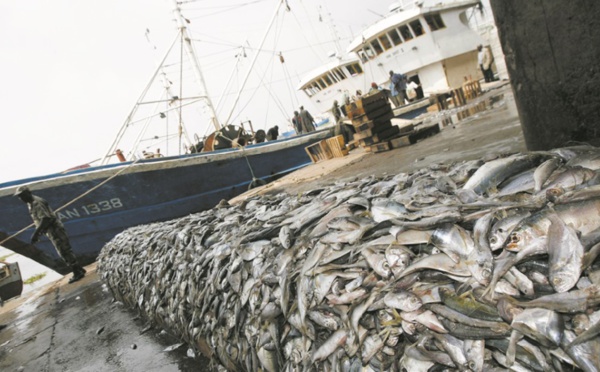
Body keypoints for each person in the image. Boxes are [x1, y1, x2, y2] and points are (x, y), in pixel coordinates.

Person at [14, 186, 86, 283]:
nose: (21, 198)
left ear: (28, 193)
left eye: (22, 195)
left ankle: (77, 272)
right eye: (19, 197)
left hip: (55, 229)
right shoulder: (30, 203)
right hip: (50, 230)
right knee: (63, 250)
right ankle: (79, 269)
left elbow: (46, 219)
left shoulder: (36, 203)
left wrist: (36, 234)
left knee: (64, 250)